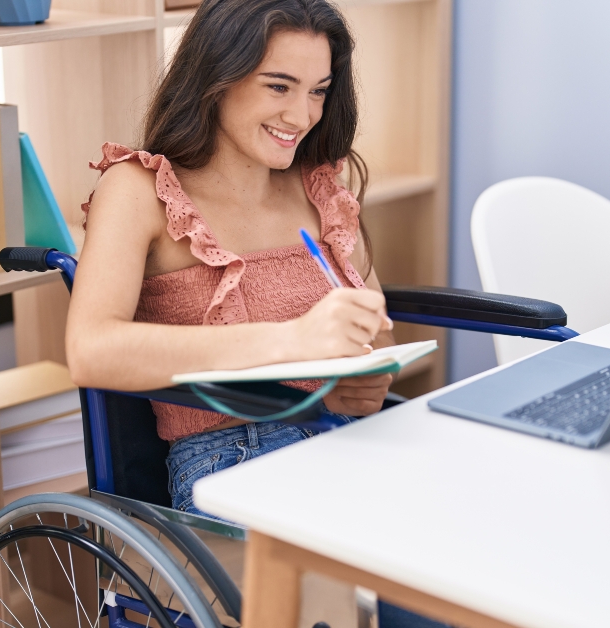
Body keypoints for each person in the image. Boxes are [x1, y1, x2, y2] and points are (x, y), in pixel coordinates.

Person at [68, 0, 396, 519]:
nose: (302, 115)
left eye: (318, 91)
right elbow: (91, 349)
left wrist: (367, 376)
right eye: (279, 86)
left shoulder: (318, 188)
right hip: (234, 459)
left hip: (348, 439)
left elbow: (375, 329)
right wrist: (293, 339)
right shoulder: (139, 190)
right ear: (216, 78)